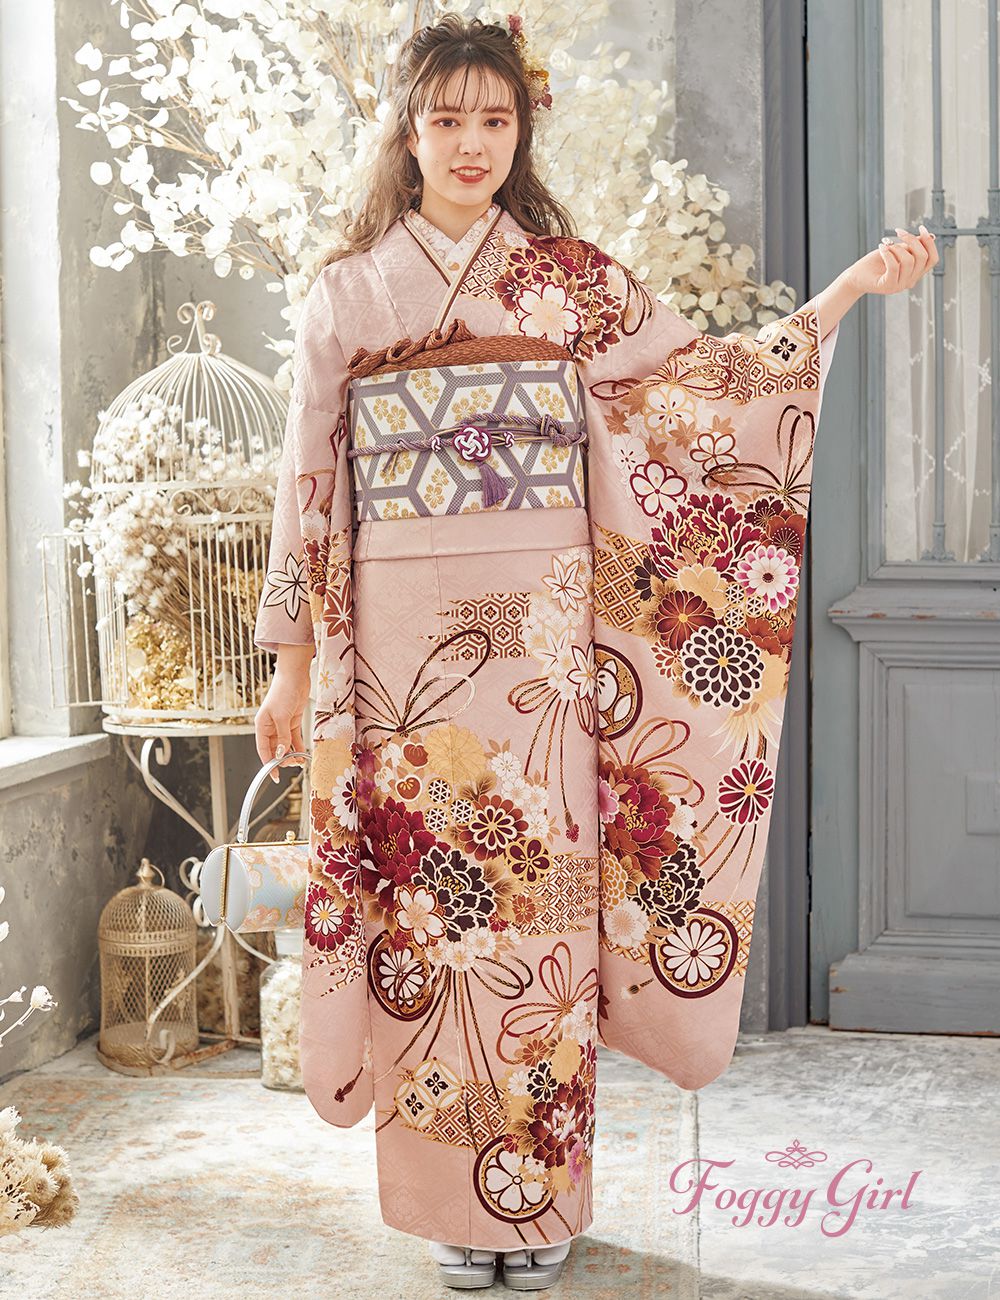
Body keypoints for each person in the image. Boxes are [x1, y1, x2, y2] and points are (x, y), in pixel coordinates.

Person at [251, 14, 936, 1292]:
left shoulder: (564, 279)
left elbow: (707, 387)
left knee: (540, 904)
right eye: (446, 119)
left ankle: (537, 1197)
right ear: (406, 133)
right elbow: (305, 485)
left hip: (545, 645)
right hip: (397, 647)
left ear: (522, 131)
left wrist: (842, 295)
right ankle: (456, 1204)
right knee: (431, 912)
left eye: (494, 120)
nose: (471, 144)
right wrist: (290, 662)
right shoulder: (347, 290)